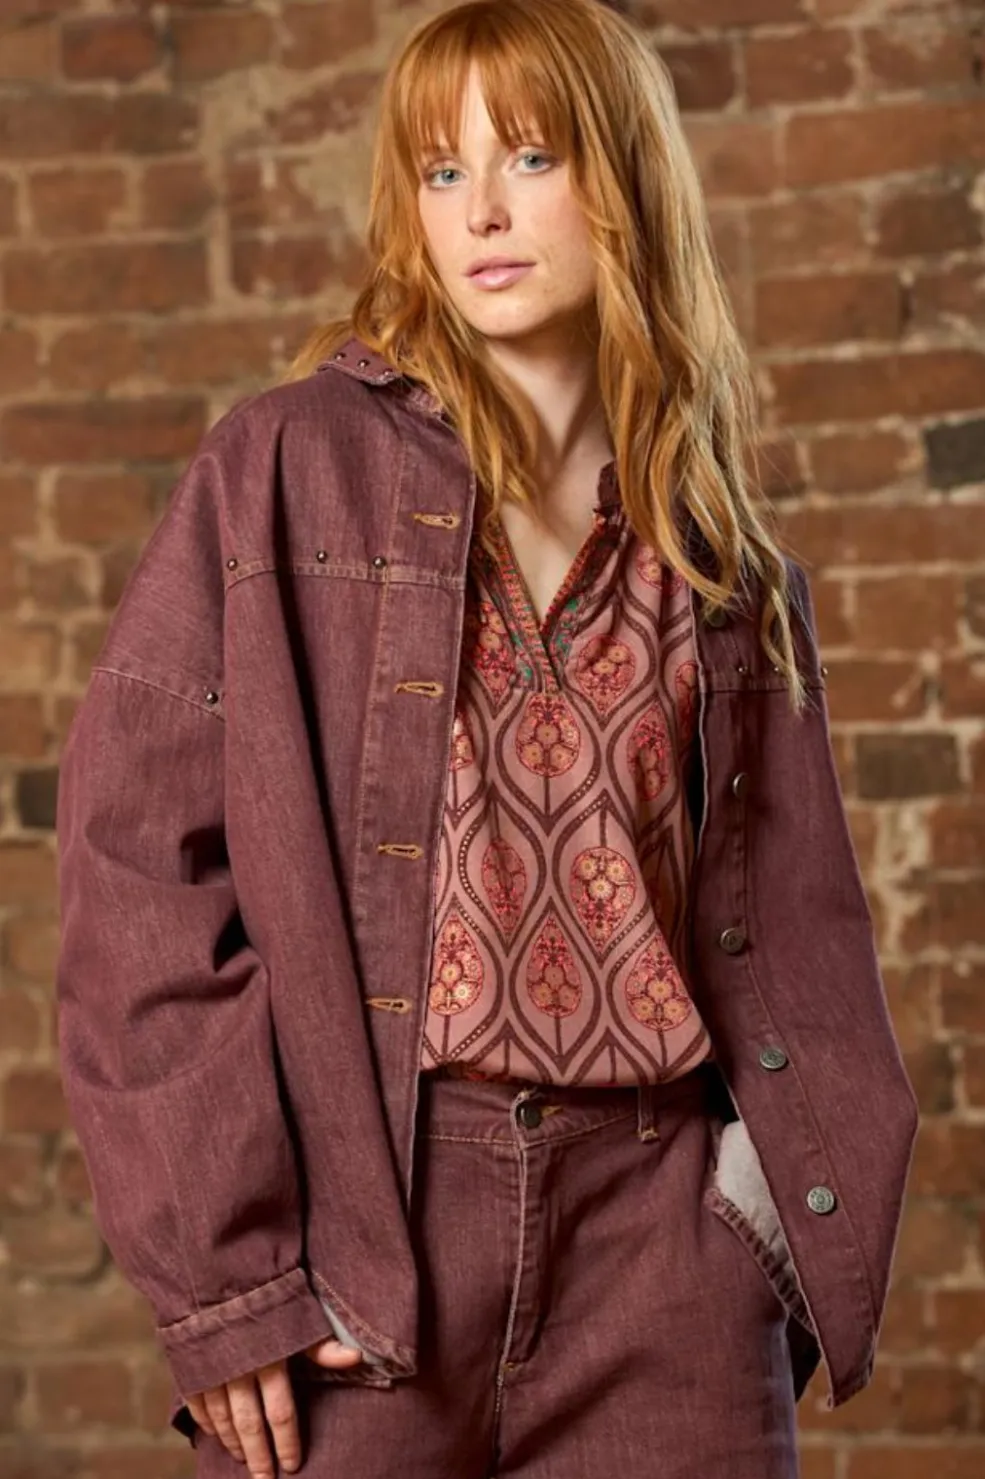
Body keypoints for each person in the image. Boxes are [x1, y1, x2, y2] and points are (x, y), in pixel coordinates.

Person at [54, 2, 918, 1476]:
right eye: (442, 171)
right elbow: (137, 865)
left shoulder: (717, 561)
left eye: (530, 156)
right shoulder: (285, 467)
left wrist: (758, 1232)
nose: (484, 213)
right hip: (369, 1237)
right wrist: (230, 1278)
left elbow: (799, 925)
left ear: (623, 183)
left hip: (663, 1256)